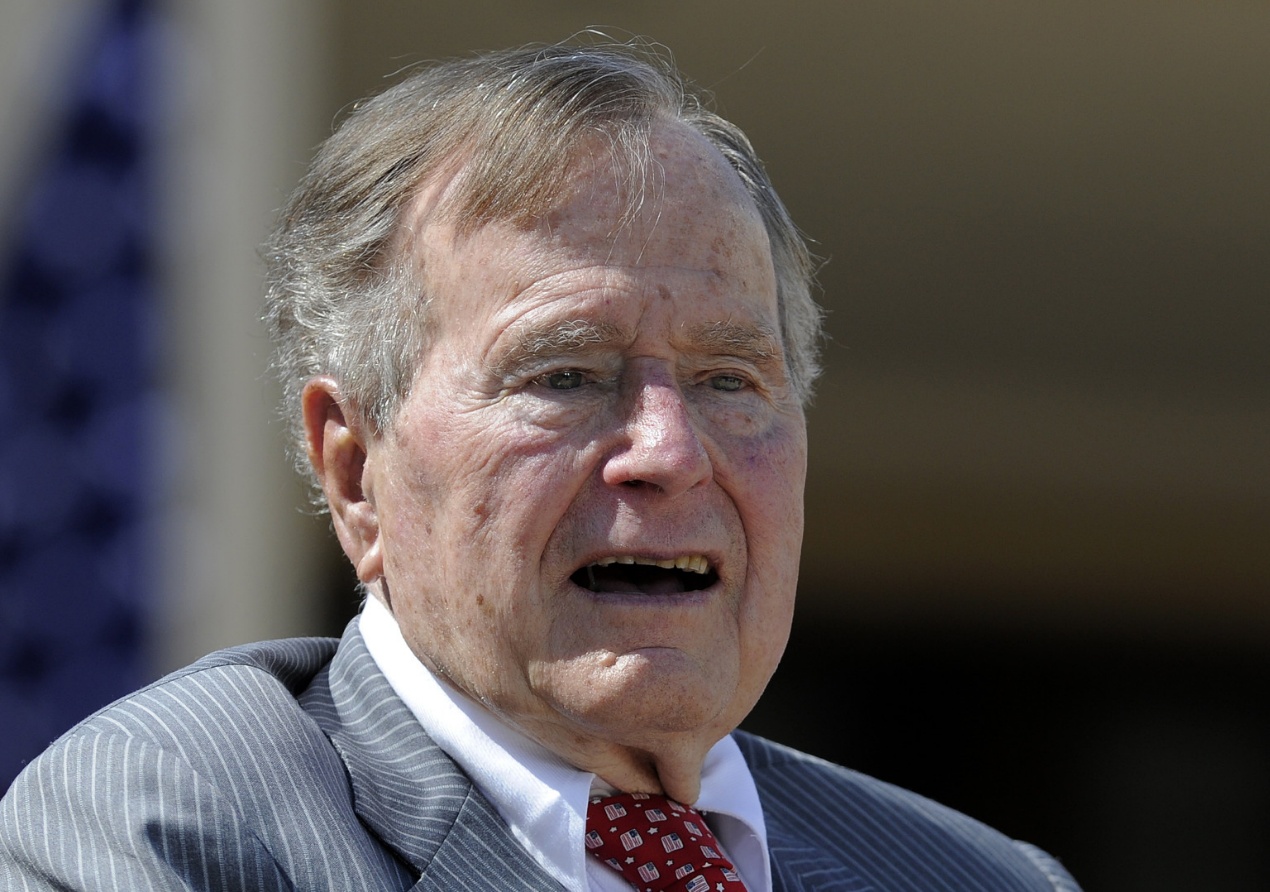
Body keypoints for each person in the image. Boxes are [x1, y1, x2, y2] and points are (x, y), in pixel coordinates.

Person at [0, 42, 1081, 891]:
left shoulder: (983, 878)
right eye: (566, 375)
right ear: (355, 468)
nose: (667, 452)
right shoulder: (169, 820)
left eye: (727, 379)